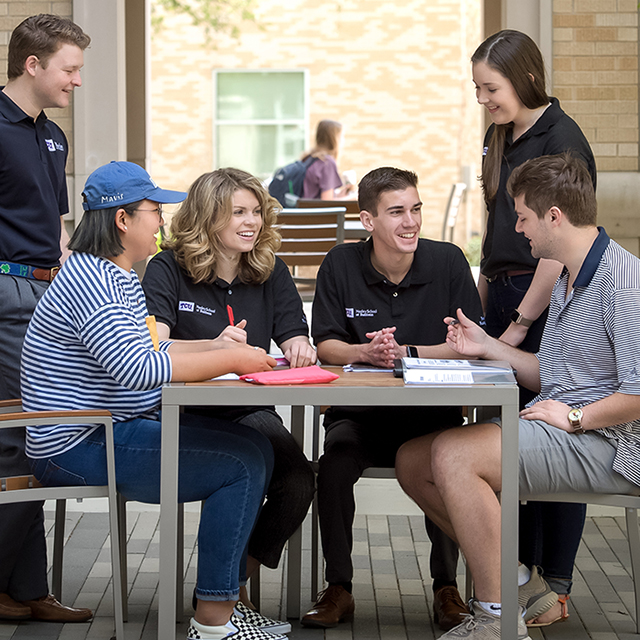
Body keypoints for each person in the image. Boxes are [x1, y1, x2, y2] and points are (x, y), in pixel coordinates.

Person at [20, 160, 289, 640]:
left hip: (103, 430)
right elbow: (140, 371)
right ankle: (212, 623)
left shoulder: (113, 274)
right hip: (77, 444)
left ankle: (221, 606)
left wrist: (217, 348)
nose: (162, 220)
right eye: (154, 211)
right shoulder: (95, 282)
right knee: (242, 463)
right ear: (123, 219)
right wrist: (236, 362)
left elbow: (149, 348)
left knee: (256, 450)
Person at [396, 153, 640, 640]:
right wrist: (488, 347)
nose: (520, 230)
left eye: (523, 218)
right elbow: (548, 370)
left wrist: (575, 417)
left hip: (614, 447)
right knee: (412, 460)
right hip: (569, 428)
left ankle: (497, 619)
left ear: (554, 216)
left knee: (454, 453)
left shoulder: (625, 283)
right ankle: (521, 584)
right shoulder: (572, 276)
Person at [301, 167, 483, 631]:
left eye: (416, 209)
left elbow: (472, 342)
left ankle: (447, 587)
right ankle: (338, 587)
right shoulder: (341, 264)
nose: (411, 222)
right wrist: (364, 351)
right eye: (397, 211)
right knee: (335, 467)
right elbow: (324, 345)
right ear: (367, 220)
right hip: (359, 417)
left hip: (430, 419)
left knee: (449, 466)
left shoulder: (448, 262)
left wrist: (407, 354)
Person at [142, 167, 316, 618]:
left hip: (246, 409)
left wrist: (299, 344)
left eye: (256, 211)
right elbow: (153, 342)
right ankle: (223, 599)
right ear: (207, 218)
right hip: (184, 412)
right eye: (238, 212)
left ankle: (232, 584)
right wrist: (214, 348)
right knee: (242, 468)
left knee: (296, 478)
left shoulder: (270, 268)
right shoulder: (167, 267)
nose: (252, 221)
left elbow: (295, 335)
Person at [472, 29, 597, 624]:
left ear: (522, 78)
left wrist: (520, 323)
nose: (483, 100)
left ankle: (558, 584)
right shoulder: (503, 134)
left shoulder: (562, 138)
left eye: (490, 88)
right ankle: (515, 575)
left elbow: (558, 240)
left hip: (539, 302)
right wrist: (484, 304)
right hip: (503, 295)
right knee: (512, 436)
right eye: (477, 89)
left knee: (553, 439)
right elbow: (498, 230)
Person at [0, 14, 94, 623]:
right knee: (18, 439)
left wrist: (77, 286)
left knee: (34, 439)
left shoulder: (51, 135)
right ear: (32, 65)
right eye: (70, 68)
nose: (77, 81)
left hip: (46, 296)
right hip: (5, 296)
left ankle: (27, 589)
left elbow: (56, 231)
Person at [301, 119, 356, 200]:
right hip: (314, 212)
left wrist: (343, 193)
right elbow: (327, 202)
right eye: (342, 136)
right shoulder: (327, 163)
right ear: (335, 139)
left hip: (303, 210)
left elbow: (317, 196)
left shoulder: (309, 158)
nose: (343, 140)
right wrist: (353, 197)